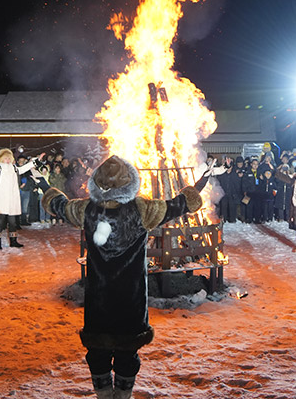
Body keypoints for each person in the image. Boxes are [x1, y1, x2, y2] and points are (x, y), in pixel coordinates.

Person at [43, 155, 211, 399]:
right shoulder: (142, 210)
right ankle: (122, 395)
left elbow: (60, 205)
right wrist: (199, 185)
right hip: (130, 299)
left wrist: (45, 187)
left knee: (97, 352)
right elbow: (178, 205)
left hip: (99, 299)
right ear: (130, 183)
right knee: (128, 353)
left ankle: (103, 394)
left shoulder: (87, 210)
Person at [0, 147, 43, 250]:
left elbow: (25, 167)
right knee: (0, 221)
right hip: (2, 199)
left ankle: (13, 241)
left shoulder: (15, 169)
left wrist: (36, 161)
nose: (7, 160)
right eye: (5, 158)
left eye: (9, 158)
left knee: (13, 222)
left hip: (12, 200)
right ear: (1, 159)